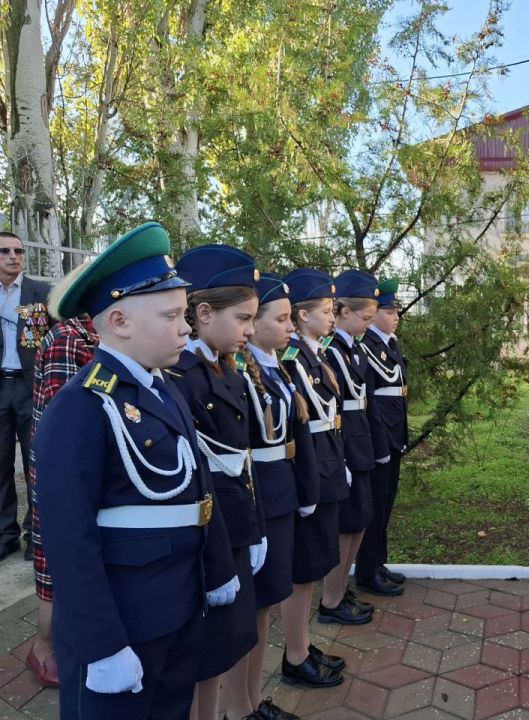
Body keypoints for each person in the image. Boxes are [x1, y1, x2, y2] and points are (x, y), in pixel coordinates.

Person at [33, 222, 238, 720]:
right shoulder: (81, 406)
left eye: (184, 314)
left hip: (178, 604)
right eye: (171, 316)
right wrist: (102, 643)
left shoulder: (163, 389)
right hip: (122, 619)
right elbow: (67, 539)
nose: (186, 328)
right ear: (120, 320)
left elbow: (199, 490)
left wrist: (217, 570)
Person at [169, 245, 269, 720]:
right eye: (243, 318)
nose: (250, 330)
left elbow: (241, 460)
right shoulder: (182, 376)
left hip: (236, 522)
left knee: (227, 642)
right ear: (204, 314)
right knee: (206, 654)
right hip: (213, 531)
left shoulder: (223, 365)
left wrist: (255, 526)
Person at [236, 272, 323, 720]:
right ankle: (241, 707)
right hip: (261, 500)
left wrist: (305, 487)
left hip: (281, 492)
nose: (291, 327)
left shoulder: (275, 366)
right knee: (254, 609)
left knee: (267, 603)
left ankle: (251, 702)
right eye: (282, 319)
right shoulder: (240, 372)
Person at [26, 264, 101, 689]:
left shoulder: (95, 334)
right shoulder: (69, 339)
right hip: (62, 474)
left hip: (86, 471)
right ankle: (43, 649)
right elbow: (63, 421)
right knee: (54, 567)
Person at [279, 268, 350, 684]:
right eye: (325, 311)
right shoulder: (294, 359)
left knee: (313, 565)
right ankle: (295, 653)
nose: (332, 317)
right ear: (303, 315)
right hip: (312, 469)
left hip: (326, 462)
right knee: (303, 569)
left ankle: (301, 645)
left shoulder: (315, 354)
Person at [317, 270, 378, 625]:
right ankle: (331, 598)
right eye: (365, 318)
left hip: (361, 439)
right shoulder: (331, 351)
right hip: (345, 442)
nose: (369, 325)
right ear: (344, 312)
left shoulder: (354, 348)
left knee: (360, 520)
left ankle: (341, 589)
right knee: (346, 524)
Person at [356, 277, 409, 595]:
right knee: (375, 507)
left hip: (394, 434)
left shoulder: (389, 344)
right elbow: (372, 401)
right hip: (380, 439)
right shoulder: (368, 347)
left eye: (396, 311)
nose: (396, 316)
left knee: (386, 503)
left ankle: (377, 562)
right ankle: (367, 571)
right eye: (389, 311)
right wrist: (380, 445)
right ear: (373, 314)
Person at [0, 231, 50, 561]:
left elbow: (57, 336)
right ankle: (5, 535)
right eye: (5, 251)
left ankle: (37, 534)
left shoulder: (40, 293)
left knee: (37, 462)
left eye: (18, 251)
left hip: (33, 388)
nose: (13, 256)